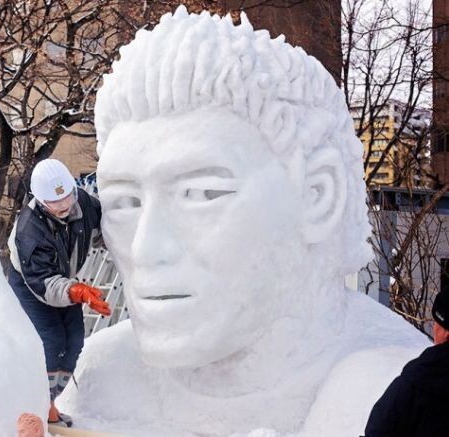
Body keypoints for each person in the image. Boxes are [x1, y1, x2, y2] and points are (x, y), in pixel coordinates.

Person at [57, 7, 428, 436]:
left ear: (317, 197)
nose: (144, 248)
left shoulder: (394, 391)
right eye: (125, 202)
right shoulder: (107, 375)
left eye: (201, 194)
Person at [8, 158, 111, 427]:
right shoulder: (29, 231)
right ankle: (40, 406)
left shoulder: (84, 204)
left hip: (64, 280)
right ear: (41, 202)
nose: (65, 205)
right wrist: (76, 290)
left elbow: (103, 228)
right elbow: (43, 282)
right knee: (51, 342)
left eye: (67, 196)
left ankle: (51, 399)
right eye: (56, 202)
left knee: (75, 339)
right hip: (32, 285)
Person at [364, 291, 449, 436]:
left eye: (436, 323)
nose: (433, 328)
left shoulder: (419, 379)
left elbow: (379, 430)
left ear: (446, 332)